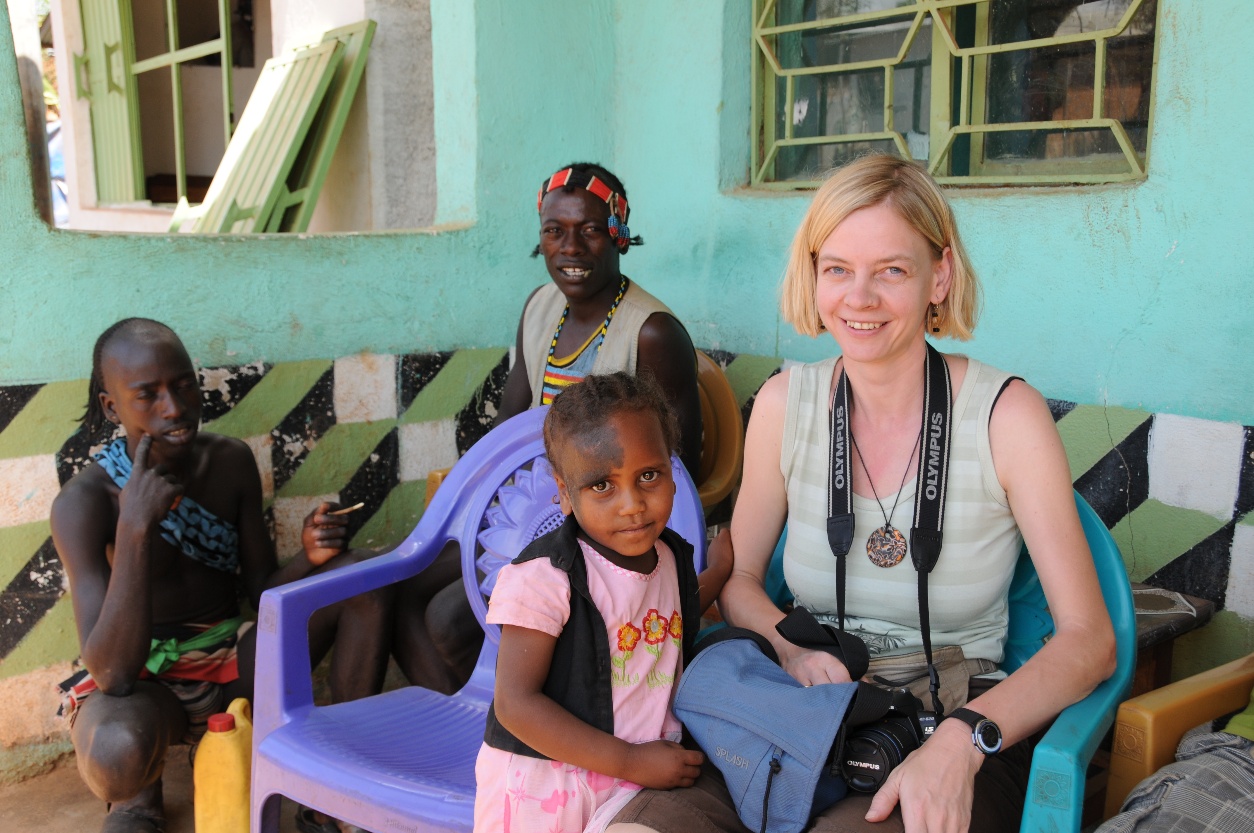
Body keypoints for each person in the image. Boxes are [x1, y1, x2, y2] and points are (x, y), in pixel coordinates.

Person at [607, 154, 1117, 833]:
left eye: (892, 270)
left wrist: (963, 741)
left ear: (940, 276)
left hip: (948, 721)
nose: (860, 297)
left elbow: (1090, 641)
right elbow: (744, 579)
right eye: (838, 268)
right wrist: (789, 646)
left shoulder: (1006, 416)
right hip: (799, 709)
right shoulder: (787, 404)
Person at [50, 319, 391, 833]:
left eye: (184, 384)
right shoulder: (83, 503)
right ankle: (138, 805)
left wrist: (307, 560)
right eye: (148, 395)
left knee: (362, 579)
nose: (174, 406)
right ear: (110, 407)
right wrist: (136, 524)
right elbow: (112, 674)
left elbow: (261, 595)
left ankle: (333, 792)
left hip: (232, 661)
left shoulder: (229, 461)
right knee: (119, 754)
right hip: (145, 686)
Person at [394, 163, 703, 694]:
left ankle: (517, 730)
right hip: (527, 513)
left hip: (604, 526)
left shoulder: (651, 333)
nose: (571, 248)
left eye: (589, 229)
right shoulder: (540, 309)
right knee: (391, 585)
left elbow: (679, 469)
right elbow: (507, 430)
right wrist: (465, 508)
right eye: (554, 231)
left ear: (619, 235)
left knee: (448, 621)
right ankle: (468, 738)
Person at [473, 372, 729, 833]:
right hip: (546, 786)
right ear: (565, 494)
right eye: (602, 486)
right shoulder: (545, 578)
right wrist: (629, 760)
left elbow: (668, 614)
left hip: (632, 781)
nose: (632, 504)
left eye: (648, 476)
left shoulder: (669, 558)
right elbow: (515, 703)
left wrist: (726, 569)